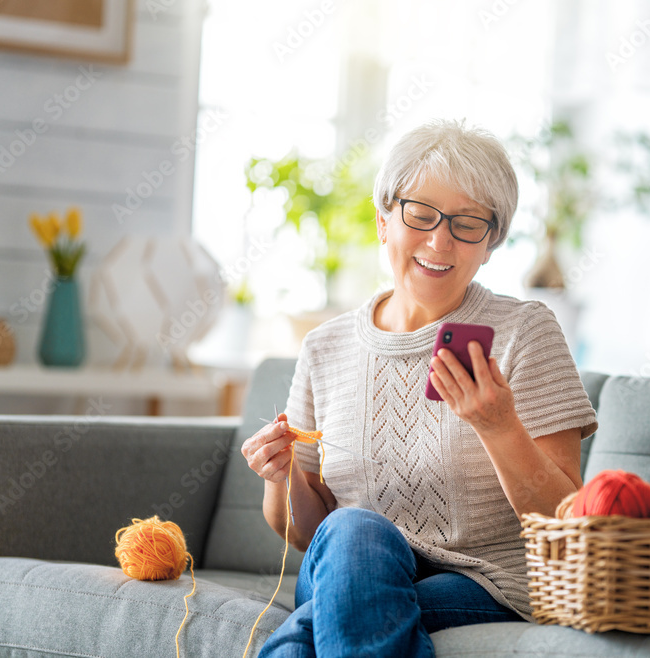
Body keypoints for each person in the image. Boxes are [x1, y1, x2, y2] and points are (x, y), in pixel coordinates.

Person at [242, 119, 598, 657]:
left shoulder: (525, 333)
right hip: (347, 560)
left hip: (486, 583)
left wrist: (498, 426)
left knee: (310, 632)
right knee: (357, 531)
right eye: (421, 215)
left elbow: (564, 523)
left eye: (467, 223)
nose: (439, 241)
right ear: (384, 221)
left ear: (492, 242)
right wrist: (282, 474)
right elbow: (303, 532)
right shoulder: (325, 347)